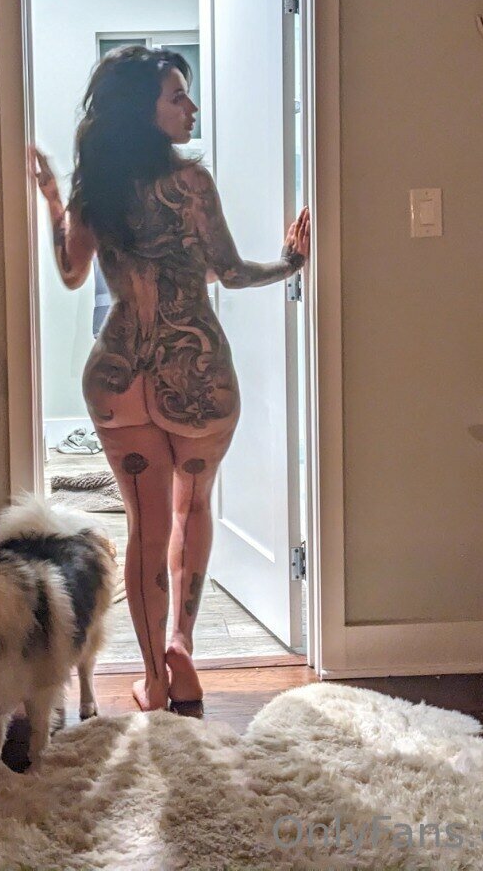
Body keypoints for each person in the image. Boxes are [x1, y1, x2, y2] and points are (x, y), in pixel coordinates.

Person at [29, 44, 310, 713]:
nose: (191, 107)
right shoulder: (191, 183)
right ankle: (182, 648)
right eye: (177, 96)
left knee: (145, 527)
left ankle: (155, 679)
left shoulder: (95, 189)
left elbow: (71, 272)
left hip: (118, 374)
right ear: (144, 110)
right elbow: (231, 272)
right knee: (193, 508)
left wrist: (53, 202)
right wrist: (291, 263)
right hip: (197, 374)